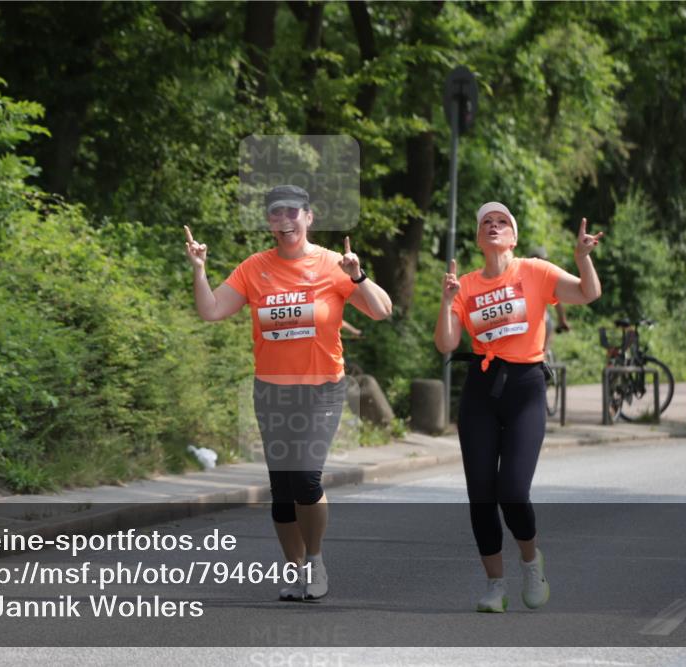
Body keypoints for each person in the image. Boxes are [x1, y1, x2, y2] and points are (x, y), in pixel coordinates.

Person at [183, 184, 392, 601]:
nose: (285, 220)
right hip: (272, 393)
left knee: (306, 478)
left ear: (308, 218)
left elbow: (382, 310)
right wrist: (199, 269)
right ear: (269, 223)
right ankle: (295, 570)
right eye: (276, 213)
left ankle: (315, 561)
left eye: (293, 212)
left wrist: (358, 276)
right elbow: (211, 311)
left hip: (323, 391)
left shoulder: (336, 264)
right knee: (281, 491)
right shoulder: (254, 268)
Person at [434, 202, 602, 613]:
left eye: (501, 221)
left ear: (513, 236)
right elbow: (446, 344)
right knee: (480, 495)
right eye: (486, 223)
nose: (493, 226)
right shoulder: (467, 284)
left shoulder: (534, 272)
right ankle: (495, 585)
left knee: (511, 490)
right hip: (481, 388)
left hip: (525, 386)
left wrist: (582, 258)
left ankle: (530, 561)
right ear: (479, 239)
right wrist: (446, 300)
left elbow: (587, 292)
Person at [527, 246, 571, 355]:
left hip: (520, 320)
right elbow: (558, 304)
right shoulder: (545, 277)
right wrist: (563, 321)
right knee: (541, 353)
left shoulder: (521, 273)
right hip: (540, 320)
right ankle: (543, 358)